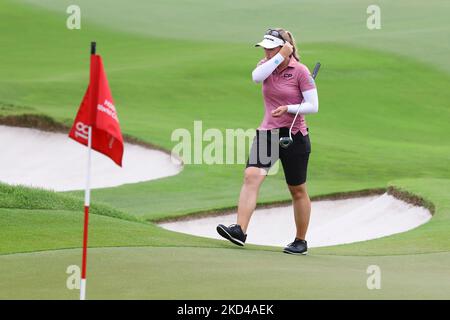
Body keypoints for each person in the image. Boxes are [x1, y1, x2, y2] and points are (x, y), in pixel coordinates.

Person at [216, 28, 319, 255]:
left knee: (297, 189)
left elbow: (313, 106)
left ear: (284, 46)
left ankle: (300, 241)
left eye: (271, 47)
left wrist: (289, 108)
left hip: (294, 135)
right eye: (265, 46)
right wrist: (280, 57)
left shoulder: (301, 72)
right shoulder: (266, 65)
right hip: (268, 133)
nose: (266, 50)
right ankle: (239, 230)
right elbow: (256, 77)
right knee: (251, 175)